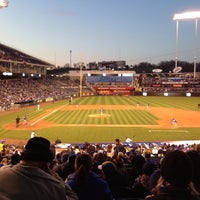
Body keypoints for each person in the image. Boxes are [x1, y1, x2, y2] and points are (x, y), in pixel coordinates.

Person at [0, 137, 78, 200]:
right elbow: (73, 197)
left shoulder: (2, 172)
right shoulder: (53, 186)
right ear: (45, 163)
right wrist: (57, 178)